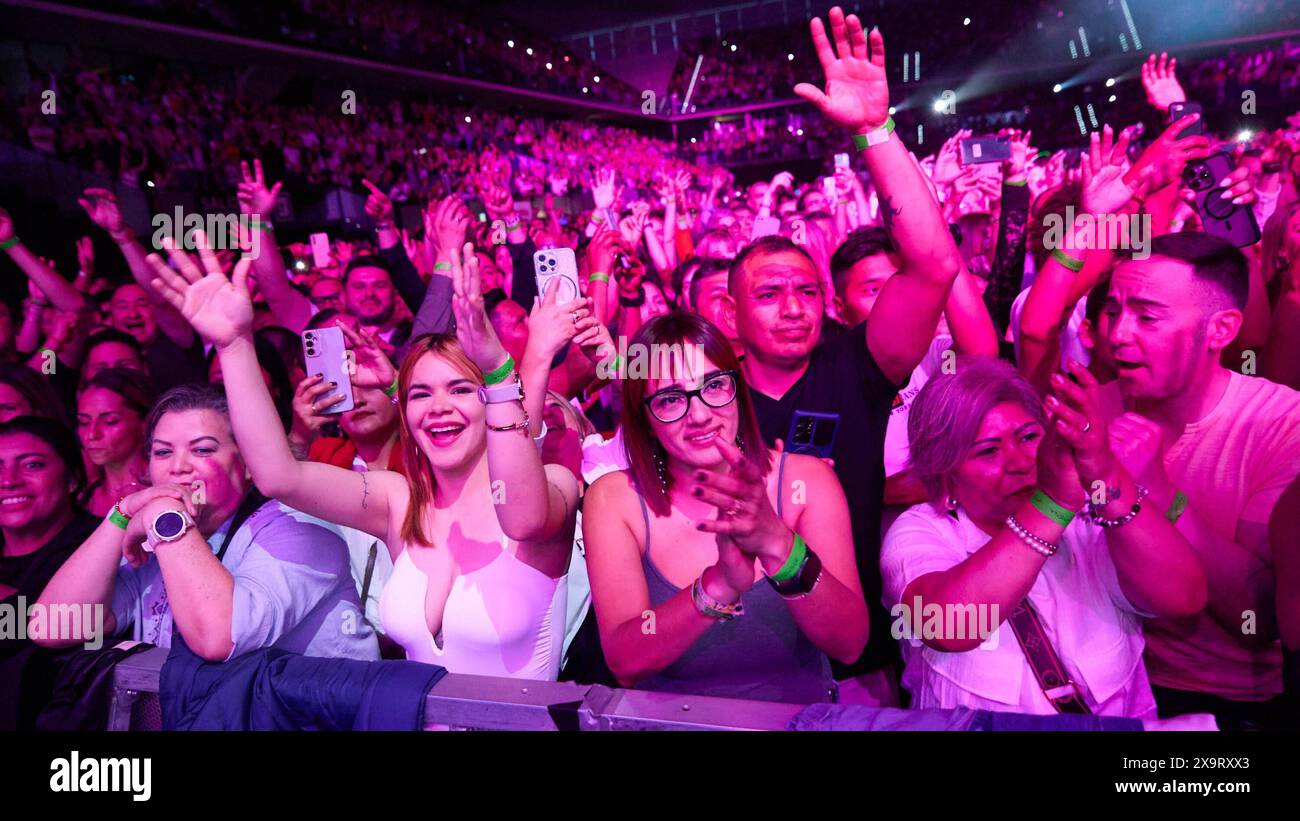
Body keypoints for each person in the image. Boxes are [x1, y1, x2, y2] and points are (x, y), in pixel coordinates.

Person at [146, 233, 580, 679]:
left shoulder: (555, 484)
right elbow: (279, 476)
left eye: (461, 390)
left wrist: (499, 370)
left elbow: (522, 520)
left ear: (491, 397)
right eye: (420, 394)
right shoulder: (401, 502)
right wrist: (235, 345)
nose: (438, 407)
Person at [718, 8, 964, 701]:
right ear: (729, 314)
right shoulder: (708, 394)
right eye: (769, 294)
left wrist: (875, 132)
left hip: (853, 654)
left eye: (807, 289)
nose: (794, 306)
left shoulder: (856, 368)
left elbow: (935, 266)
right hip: (738, 649)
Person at [881, 356, 1205, 716]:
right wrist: (1050, 505)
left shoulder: (1090, 517)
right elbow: (947, 625)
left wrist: (1105, 472)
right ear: (945, 475)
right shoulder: (920, 530)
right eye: (988, 451)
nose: (1020, 462)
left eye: (1030, 436)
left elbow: (1184, 598)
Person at [583, 312, 867, 702]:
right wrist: (718, 585)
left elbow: (849, 643)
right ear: (645, 418)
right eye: (669, 399)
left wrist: (779, 546)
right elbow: (625, 662)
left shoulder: (806, 481)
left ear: (739, 388)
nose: (699, 414)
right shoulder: (614, 499)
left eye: (714, 386)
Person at [1093, 231, 1300, 729]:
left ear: (1221, 330)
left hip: (1224, 701)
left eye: (1147, 316)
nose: (1119, 334)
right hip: (1108, 683)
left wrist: (1158, 491)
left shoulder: (1280, 424)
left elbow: (1261, 617)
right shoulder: (1096, 409)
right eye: (1112, 310)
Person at [35, 378, 377, 662]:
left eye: (202, 450)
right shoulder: (154, 535)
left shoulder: (300, 528)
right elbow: (51, 627)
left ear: (246, 463)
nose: (178, 467)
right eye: (163, 452)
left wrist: (163, 519)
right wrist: (122, 515)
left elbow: (219, 638)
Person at [0, 417, 98, 729]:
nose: (8, 480)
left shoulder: (97, 545)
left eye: (32, 465)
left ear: (72, 478)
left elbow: (25, 628)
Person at [75, 368, 155, 517]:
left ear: (145, 422)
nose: (92, 434)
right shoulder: (80, 499)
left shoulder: (162, 493)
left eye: (110, 421)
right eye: (84, 422)